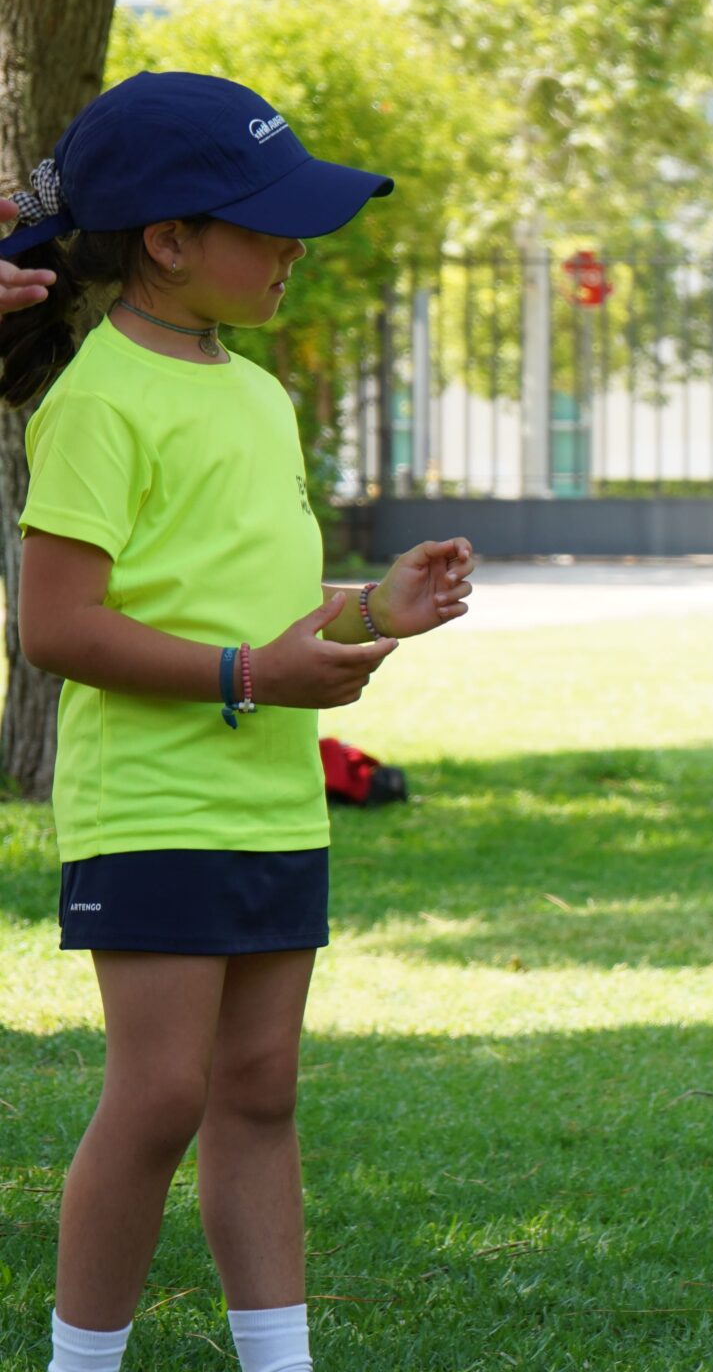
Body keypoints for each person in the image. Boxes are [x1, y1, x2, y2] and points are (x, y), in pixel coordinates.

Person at [1, 72, 478, 1372]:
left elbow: (252, 607)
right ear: (168, 240)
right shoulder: (98, 399)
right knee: (160, 1098)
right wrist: (250, 678)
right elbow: (57, 629)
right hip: (154, 806)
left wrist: (372, 605)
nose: (295, 249)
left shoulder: (258, 394)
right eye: (272, 225)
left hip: (272, 801)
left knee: (259, 1092)